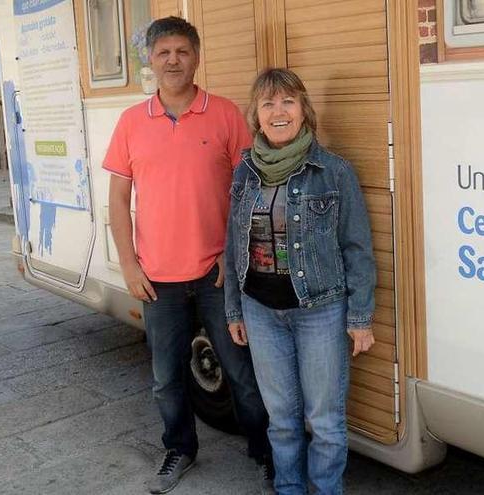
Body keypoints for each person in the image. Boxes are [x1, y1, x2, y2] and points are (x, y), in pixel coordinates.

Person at [103, 17, 272, 495]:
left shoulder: (224, 115)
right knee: (166, 377)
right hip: (157, 277)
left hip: (218, 273)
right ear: (151, 61)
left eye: (182, 51)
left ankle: (264, 453)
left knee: (242, 371)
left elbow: (248, 192)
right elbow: (118, 200)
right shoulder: (131, 122)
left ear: (196, 57)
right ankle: (179, 449)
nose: (173, 60)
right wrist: (130, 265)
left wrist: (233, 256)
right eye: (164, 53)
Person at [224, 68, 377, 495]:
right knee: (283, 421)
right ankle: (289, 488)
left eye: (288, 101)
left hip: (320, 311)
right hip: (260, 311)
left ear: (304, 110)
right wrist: (234, 309)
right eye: (268, 103)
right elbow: (233, 242)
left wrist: (360, 316)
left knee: (325, 421)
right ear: (255, 114)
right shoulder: (244, 171)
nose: (278, 111)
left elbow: (357, 248)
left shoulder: (333, 171)